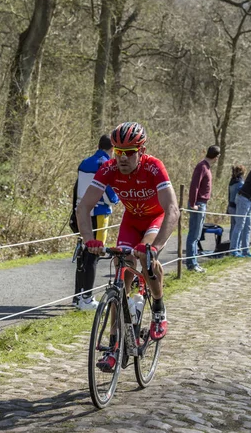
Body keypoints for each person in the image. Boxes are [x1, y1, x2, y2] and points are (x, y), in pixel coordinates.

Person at [76, 122, 179, 369]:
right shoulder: (109, 168)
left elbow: (172, 210)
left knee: (145, 256)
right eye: (118, 151)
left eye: (129, 152)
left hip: (155, 220)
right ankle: (113, 347)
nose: (122, 157)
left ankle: (158, 306)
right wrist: (91, 240)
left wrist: (158, 245)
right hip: (131, 222)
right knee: (120, 272)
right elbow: (83, 207)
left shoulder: (154, 168)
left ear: (141, 151)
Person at [73, 135, 119, 310]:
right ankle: (87, 298)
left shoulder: (85, 162)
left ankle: (77, 296)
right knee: (94, 254)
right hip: (99, 213)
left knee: (83, 254)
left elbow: (76, 188)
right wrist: (116, 199)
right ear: (112, 148)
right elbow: (109, 195)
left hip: (82, 213)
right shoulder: (105, 164)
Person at [186, 146, 221, 272]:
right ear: (216, 157)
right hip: (198, 204)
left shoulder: (207, 167)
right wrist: (193, 203)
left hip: (202, 203)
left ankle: (194, 262)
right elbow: (194, 185)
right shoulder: (202, 166)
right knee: (194, 235)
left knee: (196, 234)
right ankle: (192, 264)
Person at [227, 164, 246, 241]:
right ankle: (236, 245)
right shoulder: (240, 183)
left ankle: (231, 242)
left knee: (233, 226)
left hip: (231, 206)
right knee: (238, 227)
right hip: (236, 207)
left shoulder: (232, 181)